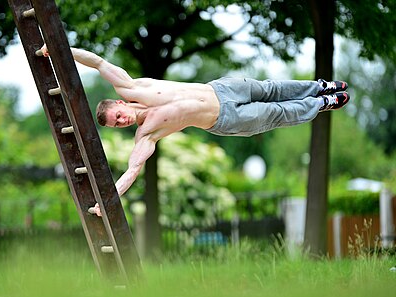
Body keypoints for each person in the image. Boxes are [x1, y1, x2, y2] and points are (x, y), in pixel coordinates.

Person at [41, 46, 350, 216]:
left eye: (118, 115)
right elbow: (132, 171)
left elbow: (96, 61)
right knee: (275, 113)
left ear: (120, 102)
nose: (121, 121)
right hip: (225, 119)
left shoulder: (135, 86)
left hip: (221, 89)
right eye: (117, 124)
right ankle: (321, 103)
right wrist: (105, 203)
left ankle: (319, 86)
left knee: (271, 89)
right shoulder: (146, 135)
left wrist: (55, 50)